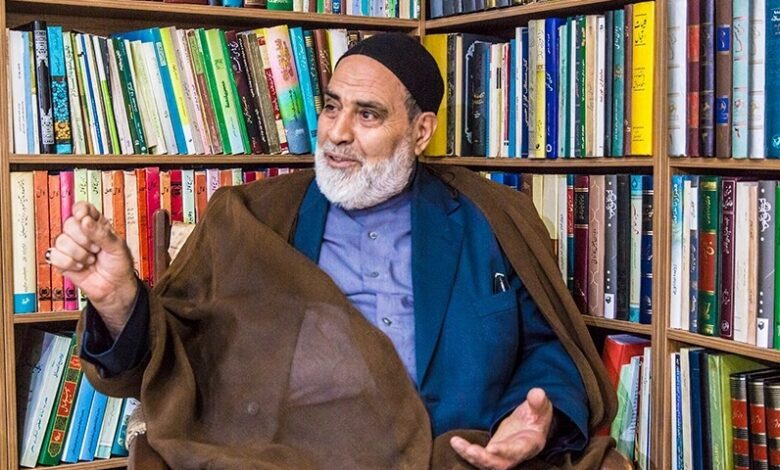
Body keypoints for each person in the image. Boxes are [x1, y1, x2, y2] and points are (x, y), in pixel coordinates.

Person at [49, 33, 615, 469]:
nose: (338, 132)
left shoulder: (491, 217)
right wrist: (118, 301)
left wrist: (535, 420)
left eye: (367, 114)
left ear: (420, 132)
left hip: (454, 456)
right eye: (330, 107)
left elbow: (550, 346)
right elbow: (168, 356)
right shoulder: (249, 217)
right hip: (292, 457)